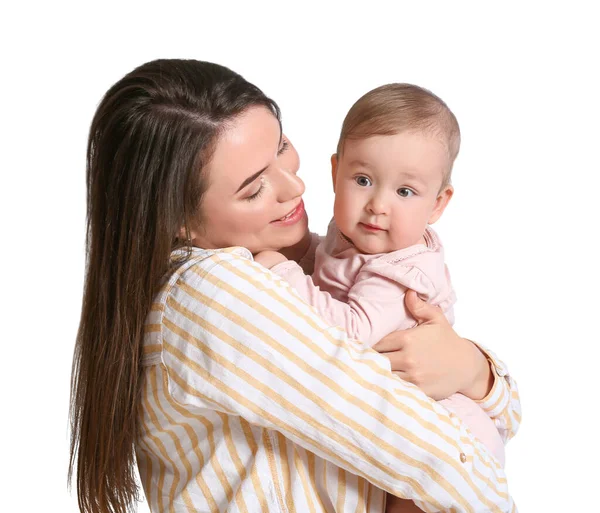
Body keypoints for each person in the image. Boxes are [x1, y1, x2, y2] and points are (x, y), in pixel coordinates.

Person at [69, 59, 521, 513]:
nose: (295, 185)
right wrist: (482, 398)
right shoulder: (215, 290)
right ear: (180, 220)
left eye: (281, 147)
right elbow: (415, 440)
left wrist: (473, 370)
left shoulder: (298, 261)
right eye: (253, 189)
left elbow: (487, 411)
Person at [254, 83, 507, 512]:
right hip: (403, 423)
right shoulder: (350, 237)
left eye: (404, 192)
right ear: (335, 173)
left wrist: (278, 270)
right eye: (363, 180)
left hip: (446, 435)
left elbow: (352, 331)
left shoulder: (400, 271)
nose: (377, 205)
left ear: (438, 204)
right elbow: (326, 272)